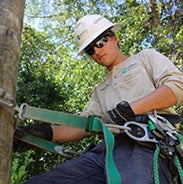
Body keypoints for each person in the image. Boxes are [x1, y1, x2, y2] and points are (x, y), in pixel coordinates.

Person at [14, 14, 183, 184]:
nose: (97, 51)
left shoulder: (144, 59)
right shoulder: (100, 90)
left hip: (145, 145)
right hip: (107, 150)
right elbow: (84, 125)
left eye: (101, 42)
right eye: (90, 50)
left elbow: (177, 86)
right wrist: (44, 132)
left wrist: (129, 110)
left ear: (115, 38)